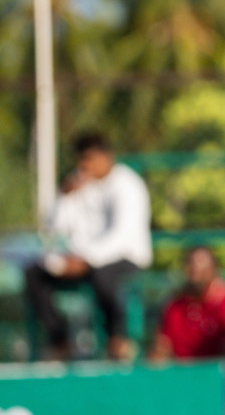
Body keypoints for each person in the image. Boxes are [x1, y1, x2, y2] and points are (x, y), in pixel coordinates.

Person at [24, 132, 152, 361]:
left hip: (125, 257)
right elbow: (56, 228)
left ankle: (117, 340)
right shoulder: (79, 183)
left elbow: (123, 235)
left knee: (102, 276)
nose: (85, 165)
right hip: (80, 260)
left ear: (106, 156)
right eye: (81, 159)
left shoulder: (128, 184)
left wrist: (87, 259)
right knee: (35, 274)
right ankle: (59, 341)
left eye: (89, 159)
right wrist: (64, 197)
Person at [151, 246, 225, 363]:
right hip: (181, 375)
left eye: (201, 269)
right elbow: (162, 347)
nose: (195, 270)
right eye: (191, 266)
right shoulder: (174, 306)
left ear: (214, 270)